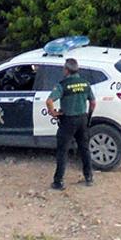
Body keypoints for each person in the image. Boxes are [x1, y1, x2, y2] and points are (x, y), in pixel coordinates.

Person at [46, 58, 96, 190]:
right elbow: (93, 102)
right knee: (84, 149)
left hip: (68, 120)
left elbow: (49, 101)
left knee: (62, 151)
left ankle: (58, 181)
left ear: (66, 70)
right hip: (82, 119)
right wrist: (88, 116)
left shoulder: (63, 85)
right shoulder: (85, 84)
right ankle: (89, 177)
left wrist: (53, 113)